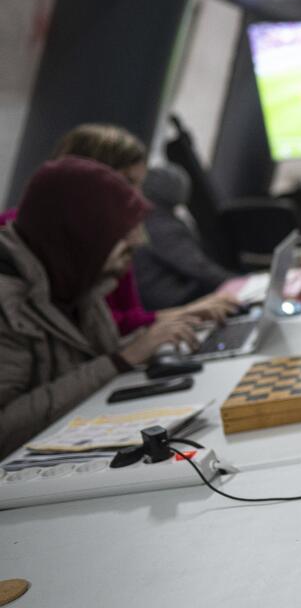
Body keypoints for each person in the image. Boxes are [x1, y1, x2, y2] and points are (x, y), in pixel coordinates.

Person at [0, 158, 200, 458]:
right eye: (120, 247)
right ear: (79, 238)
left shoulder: (74, 278)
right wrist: (125, 357)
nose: (125, 265)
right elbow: (5, 428)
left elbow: (92, 361)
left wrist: (145, 344)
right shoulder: (10, 301)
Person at [0, 124, 237, 334]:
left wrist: (186, 314)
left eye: (139, 185)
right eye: (127, 182)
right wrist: (184, 314)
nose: (137, 197)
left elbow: (124, 317)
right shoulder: (22, 236)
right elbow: (82, 331)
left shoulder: (112, 231)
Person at [132, 164, 240, 311]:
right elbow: (200, 269)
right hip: (175, 303)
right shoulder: (163, 226)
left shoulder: (149, 218)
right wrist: (242, 283)